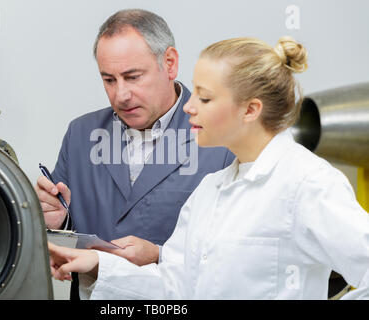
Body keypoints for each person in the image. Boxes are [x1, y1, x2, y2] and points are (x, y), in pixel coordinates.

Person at [47, 36, 369, 299]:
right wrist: (98, 263)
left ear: (250, 109)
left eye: (204, 98)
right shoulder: (210, 190)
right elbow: (173, 287)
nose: (188, 106)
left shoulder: (307, 183)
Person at [35, 9, 234, 298]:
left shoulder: (223, 139)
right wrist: (59, 224)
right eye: (109, 80)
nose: (121, 95)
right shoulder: (80, 134)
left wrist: (159, 255)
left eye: (133, 77)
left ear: (169, 63)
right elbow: (66, 236)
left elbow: (238, 259)